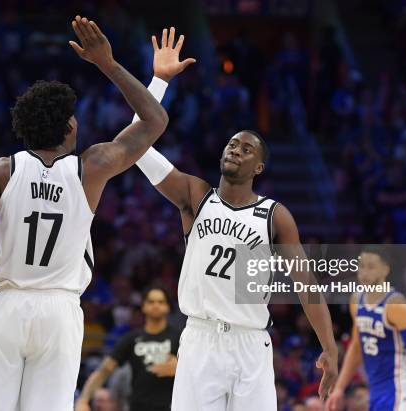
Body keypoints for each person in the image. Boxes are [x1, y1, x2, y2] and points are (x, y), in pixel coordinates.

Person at [0, 15, 174, 411]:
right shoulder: (91, 168)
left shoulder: (3, 170)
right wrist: (108, 64)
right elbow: (156, 120)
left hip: (9, 305)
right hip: (59, 312)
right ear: (68, 126)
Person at [130, 27, 337, 410]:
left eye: (246, 149)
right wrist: (158, 81)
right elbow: (134, 145)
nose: (235, 150)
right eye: (232, 144)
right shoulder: (194, 195)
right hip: (201, 338)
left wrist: (330, 348)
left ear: (258, 166)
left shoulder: (275, 215)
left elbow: (306, 283)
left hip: (250, 342)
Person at [325, 247, 406, 411]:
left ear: (385, 269)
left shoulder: (397, 305)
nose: (364, 272)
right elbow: (356, 346)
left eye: (371, 267)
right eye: (361, 266)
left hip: (401, 389)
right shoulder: (356, 299)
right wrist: (339, 387)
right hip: (376, 390)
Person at [76, 286, 181, 411]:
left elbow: (197, 370)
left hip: (171, 406)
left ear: (168, 307)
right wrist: (83, 400)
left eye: (161, 302)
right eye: (151, 302)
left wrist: (181, 369)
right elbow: (104, 370)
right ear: (143, 306)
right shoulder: (132, 338)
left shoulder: (179, 338)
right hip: (137, 406)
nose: (156, 305)